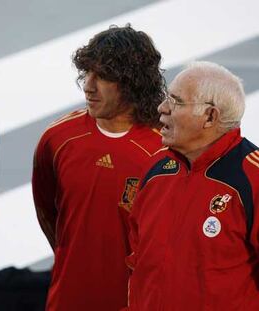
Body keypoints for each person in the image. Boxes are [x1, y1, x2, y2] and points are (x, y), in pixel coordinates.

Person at [32, 25, 166, 311]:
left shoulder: (166, 151)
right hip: (67, 299)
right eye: (87, 73)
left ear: (133, 82)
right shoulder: (57, 138)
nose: (88, 85)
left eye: (103, 76)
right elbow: (49, 214)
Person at [125, 61, 259, 310]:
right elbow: (137, 261)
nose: (161, 108)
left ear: (210, 116)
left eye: (175, 101)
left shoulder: (253, 179)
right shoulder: (155, 169)